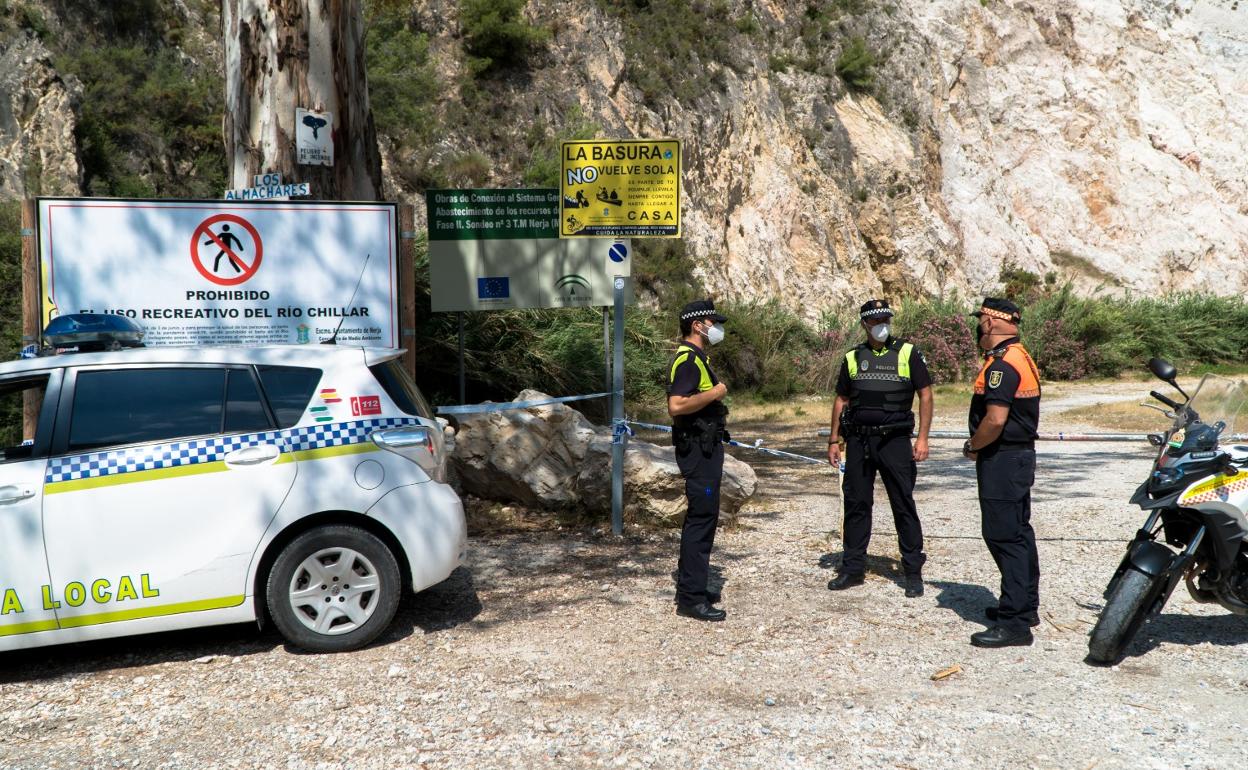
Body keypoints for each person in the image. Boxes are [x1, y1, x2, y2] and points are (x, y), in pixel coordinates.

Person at [826, 299, 933, 598]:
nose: (882, 324)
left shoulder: (908, 353)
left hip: (895, 441)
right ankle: (852, 568)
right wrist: (834, 440)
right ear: (864, 324)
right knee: (857, 504)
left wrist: (922, 438)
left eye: (886, 318)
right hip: (859, 441)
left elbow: (925, 395)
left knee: (903, 504)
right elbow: (841, 400)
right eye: (875, 320)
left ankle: (912, 571)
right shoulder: (852, 357)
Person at [963, 297, 1041, 648]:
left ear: (992, 322)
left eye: (981, 319)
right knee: (1019, 533)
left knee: (1004, 536)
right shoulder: (1018, 355)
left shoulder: (1002, 365)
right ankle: (1025, 607)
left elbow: (995, 420)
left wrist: (973, 446)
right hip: (1017, 458)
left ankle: (1014, 624)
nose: (979, 325)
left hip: (1003, 459)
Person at [668, 299, 730, 622]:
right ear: (697, 325)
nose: (715, 327)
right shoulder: (688, 361)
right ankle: (691, 599)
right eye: (711, 321)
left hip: (704, 450)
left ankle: (693, 587)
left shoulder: (696, 358)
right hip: (698, 452)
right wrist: (716, 392)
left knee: (703, 517)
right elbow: (677, 405)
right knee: (701, 519)